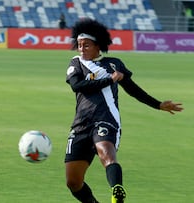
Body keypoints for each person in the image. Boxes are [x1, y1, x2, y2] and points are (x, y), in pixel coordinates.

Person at [64, 18, 183, 203]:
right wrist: (110, 80)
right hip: (81, 124)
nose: (81, 49)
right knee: (73, 182)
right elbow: (78, 86)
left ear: (98, 46)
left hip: (106, 118)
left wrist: (158, 104)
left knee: (106, 153)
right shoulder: (75, 63)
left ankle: (117, 191)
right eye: (79, 45)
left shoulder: (114, 64)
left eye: (86, 45)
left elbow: (132, 89)